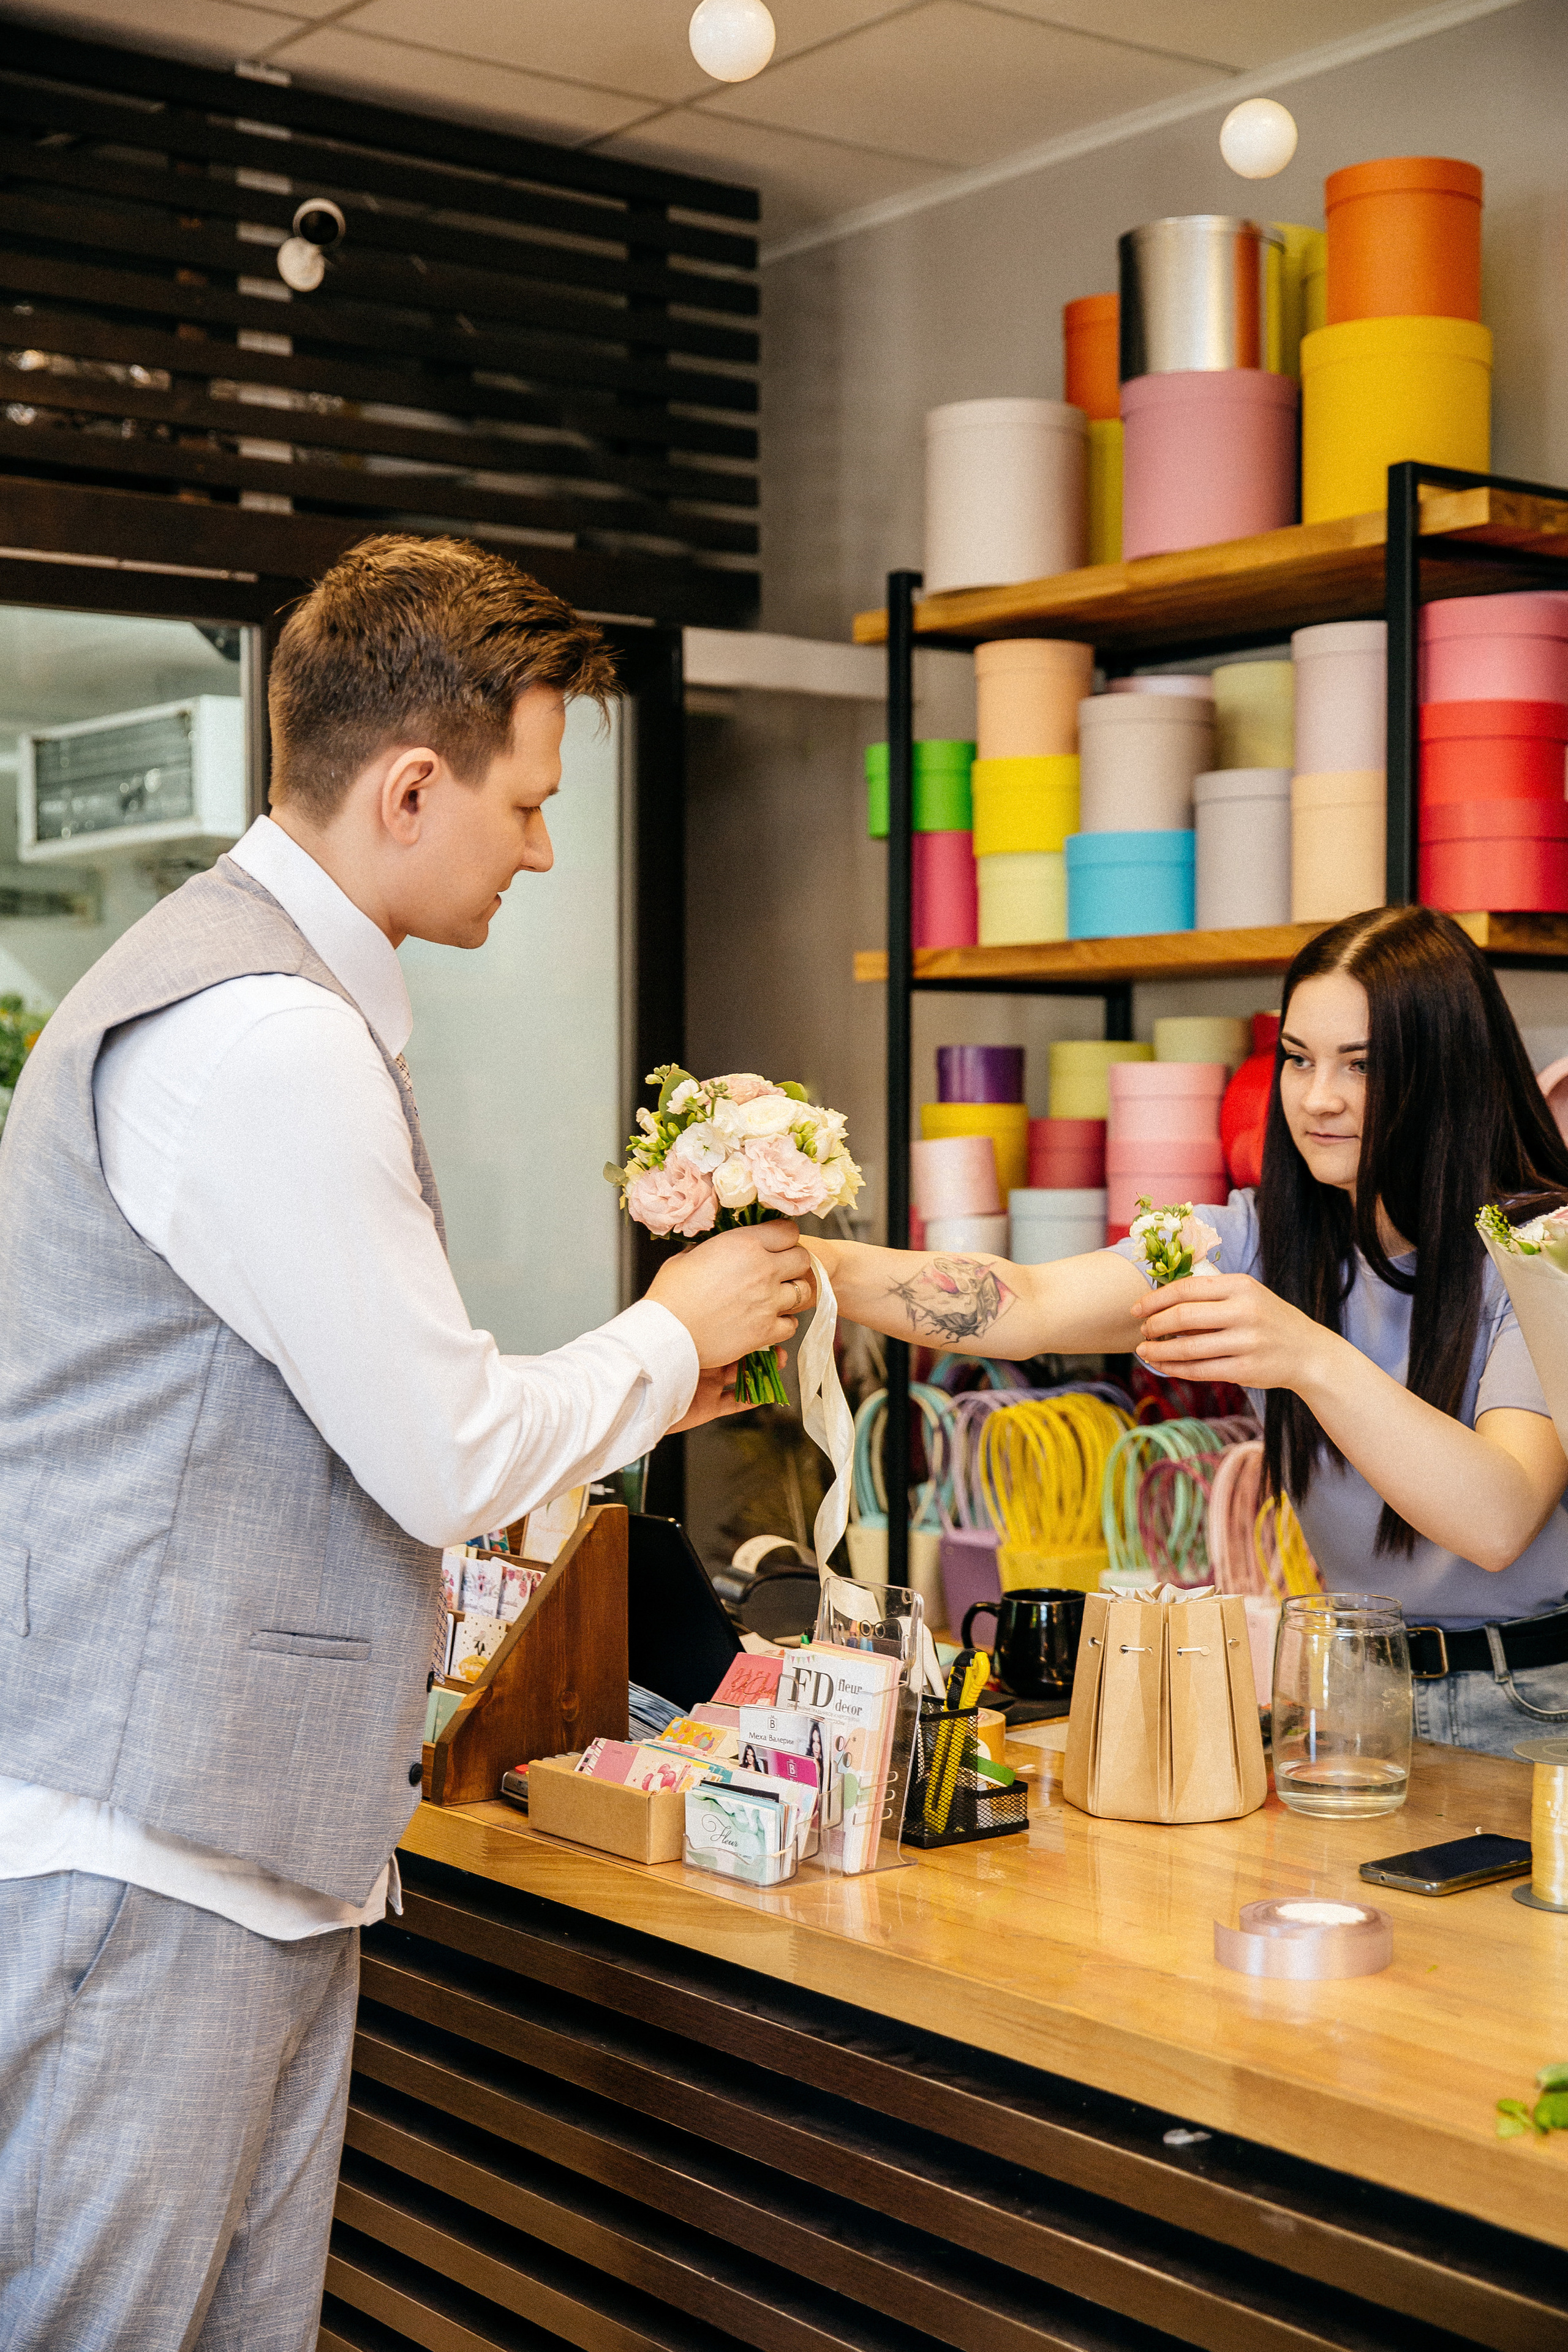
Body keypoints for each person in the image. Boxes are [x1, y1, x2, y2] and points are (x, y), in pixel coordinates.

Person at [0, 535, 814, 2349]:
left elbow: (368, 1411)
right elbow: (445, 1453)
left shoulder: (250, 1004)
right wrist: (665, 1329)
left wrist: (648, 1379)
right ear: (413, 784)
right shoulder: (263, 1039)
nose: (541, 849)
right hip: (154, 1856)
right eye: (526, 805)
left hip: (225, 1852)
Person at [815, 906, 1568, 1755]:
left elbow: (1498, 1517)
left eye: (1362, 1066)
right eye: (1297, 1060)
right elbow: (1023, 1304)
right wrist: (820, 1270)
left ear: (1445, 1073)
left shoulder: (1544, 1252)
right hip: (1353, 1684)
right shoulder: (1249, 1240)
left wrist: (1310, 1355)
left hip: (1532, 1702)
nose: (1318, 1099)